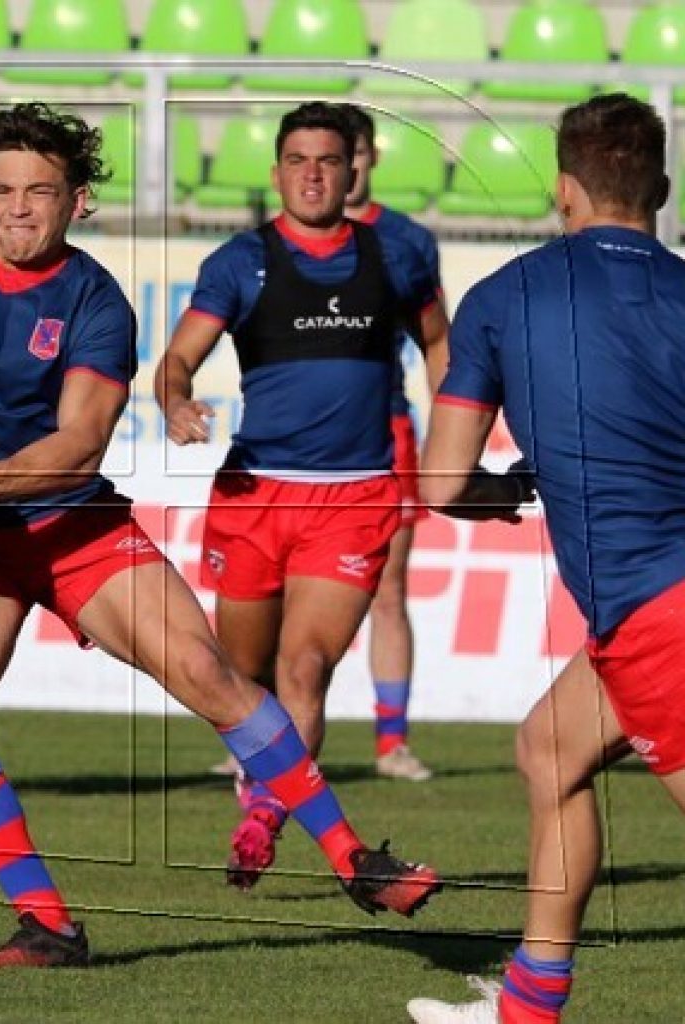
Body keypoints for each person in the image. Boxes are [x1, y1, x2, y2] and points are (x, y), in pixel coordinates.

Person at [0, 102, 441, 968]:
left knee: (208, 674)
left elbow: (79, 440)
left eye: (39, 191)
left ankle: (357, 860)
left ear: (76, 201)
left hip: (70, 523)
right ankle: (49, 926)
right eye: (1, 189)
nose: (16, 208)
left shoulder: (94, 301)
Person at [408, 93, 685, 1023]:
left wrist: (505, 490)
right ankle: (527, 1009)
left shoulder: (502, 298)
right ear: (663, 191)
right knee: (548, 750)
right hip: (652, 606)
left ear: (563, 191)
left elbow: (443, 483)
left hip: (657, 608)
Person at [155, 101, 449, 890]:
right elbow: (178, 358)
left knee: (308, 666)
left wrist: (460, 433)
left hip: (354, 495)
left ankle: (264, 813)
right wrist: (175, 402)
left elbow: (440, 347)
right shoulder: (238, 263)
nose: (314, 174)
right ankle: (270, 781)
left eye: (328, 160)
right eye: (298, 161)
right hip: (256, 494)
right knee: (241, 675)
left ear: (353, 170)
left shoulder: (398, 257)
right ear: (278, 170)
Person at [344, 105, 442, 783]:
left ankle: (391, 743)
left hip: (387, 431)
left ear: (370, 157)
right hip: (301, 443)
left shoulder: (405, 241)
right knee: (285, 597)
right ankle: (264, 741)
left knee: (388, 588)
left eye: (347, 155)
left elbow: (439, 341)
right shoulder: (278, 242)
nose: (337, 170)